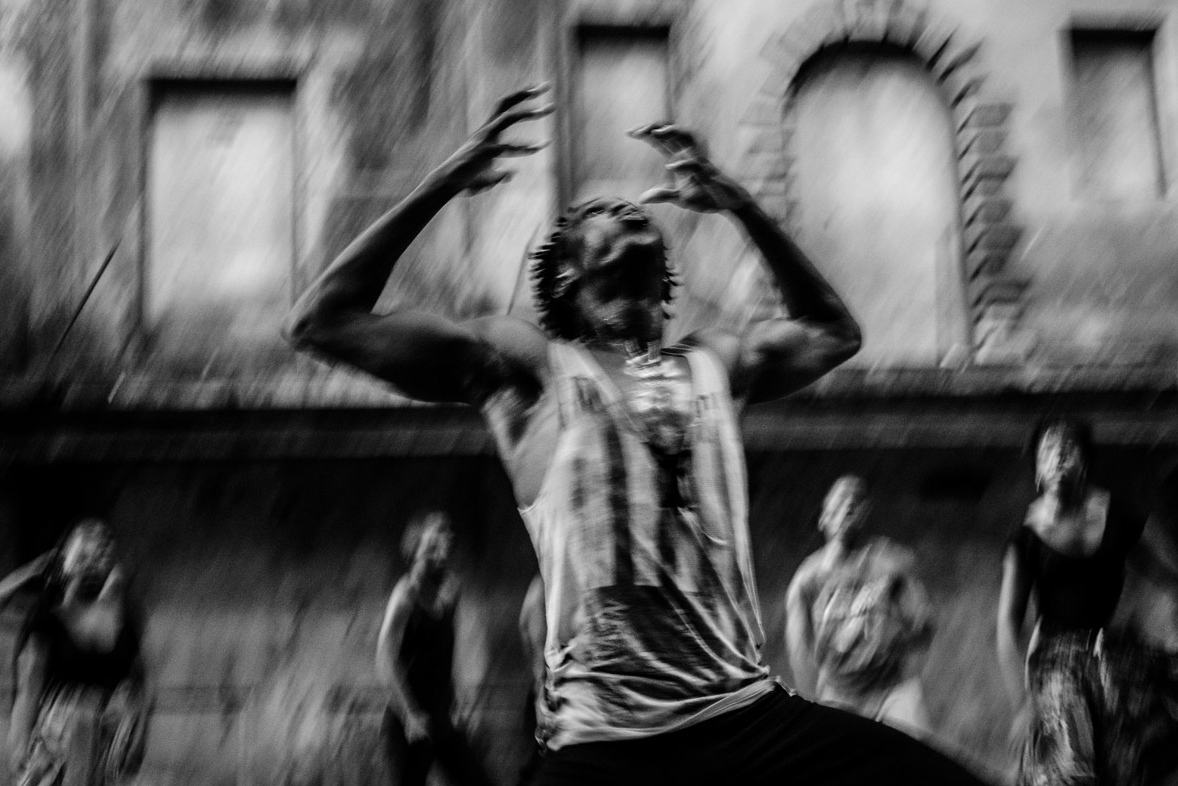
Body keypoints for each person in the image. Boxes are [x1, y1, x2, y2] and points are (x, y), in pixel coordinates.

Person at [288, 83, 990, 784]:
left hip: (743, 715)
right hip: (606, 740)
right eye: (599, 214)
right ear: (567, 272)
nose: (625, 210)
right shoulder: (528, 368)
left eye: (634, 211)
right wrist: (444, 182)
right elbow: (324, 320)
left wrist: (738, 204)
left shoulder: (716, 362)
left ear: (665, 266)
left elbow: (832, 332)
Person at [996, 416, 1151, 786]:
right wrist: (1022, 705)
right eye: (1047, 450)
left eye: (1068, 446)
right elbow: (1005, 626)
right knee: (1068, 771)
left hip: (1111, 656)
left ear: (1085, 461)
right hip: (1056, 660)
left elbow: (1167, 571)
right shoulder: (1027, 539)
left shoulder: (1116, 514)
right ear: (1037, 470)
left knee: (1129, 765)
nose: (1058, 455)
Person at [785, 474, 934, 736]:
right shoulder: (806, 580)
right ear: (824, 517)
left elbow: (925, 625)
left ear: (865, 514)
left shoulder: (891, 562)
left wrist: (899, 640)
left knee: (921, 764)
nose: (848, 504)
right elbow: (799, 650)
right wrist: (811, 706)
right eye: (840, 499)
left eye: (856, 500)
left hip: (892, 690)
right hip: (838, 695)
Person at [7, 519, 149, 786]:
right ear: (69, 563)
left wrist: (140, 732)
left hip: (110, 733)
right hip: (58, 734)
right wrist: (19, 739)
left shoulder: (126, 616)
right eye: (86, 555)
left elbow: (139, 682)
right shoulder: (49, 616)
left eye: (103, 553)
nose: (96, 562)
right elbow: (30, 684)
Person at [375, 512, 492, 786]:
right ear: (415, 550)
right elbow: (385, 659)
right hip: (411, 722)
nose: (441, 556)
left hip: (443, 718)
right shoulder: (404, 597)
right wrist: (409, 714)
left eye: (445, 548)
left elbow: (445, 654)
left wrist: (461, 701)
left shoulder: (452, 589)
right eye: (432, 549)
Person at [517, 574, 547, 786]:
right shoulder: (542, 587)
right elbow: (530, 632)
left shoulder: (539, 584)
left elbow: (523, 625)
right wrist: (540, 684)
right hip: (545, 693)